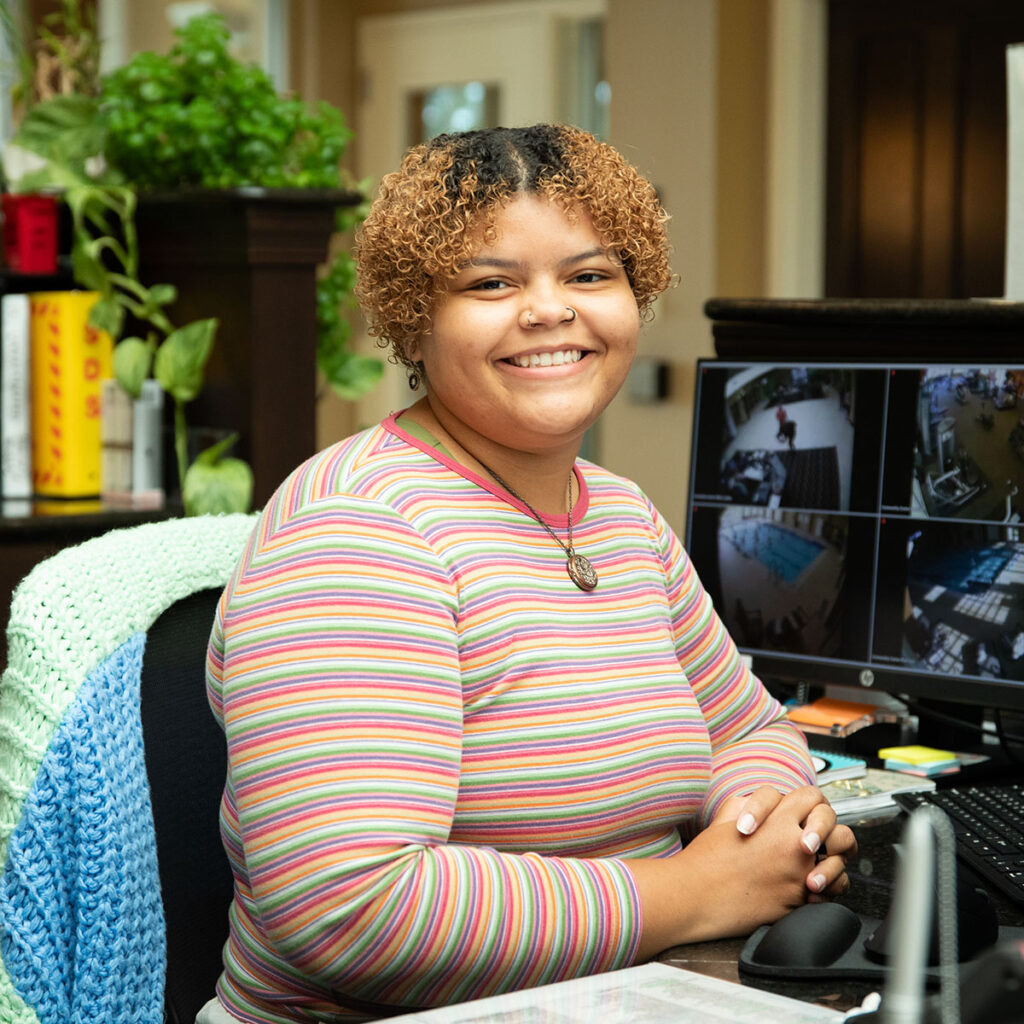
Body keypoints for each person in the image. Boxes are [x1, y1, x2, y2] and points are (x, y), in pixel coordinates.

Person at [200, 124, 856, 1024]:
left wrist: (762, 826)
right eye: (490, 283)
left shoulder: (620, 514)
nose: (551, 310)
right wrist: (696, 893)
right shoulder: (358, 528)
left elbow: (749, 728)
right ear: (412, 317)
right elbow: (349, 908)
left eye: (590, 275)